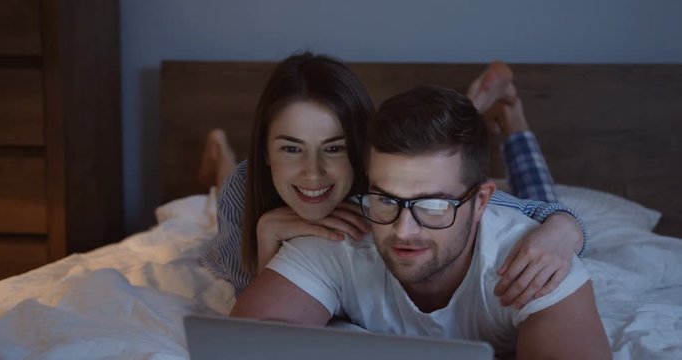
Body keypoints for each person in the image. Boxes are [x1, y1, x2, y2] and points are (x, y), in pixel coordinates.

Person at [230, 85, 611, 358]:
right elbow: (240, 344)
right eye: (385, 199)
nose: (403, 230)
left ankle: (509, 114)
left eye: (432, 205)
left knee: (546, 200)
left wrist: (565, 228)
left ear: (480, 202)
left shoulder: (534, 264)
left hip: (528, 220)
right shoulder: (337, 233)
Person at [200, 52, 587, 310]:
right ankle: (221, 151)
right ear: (265, 151)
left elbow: (546, 212)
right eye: (291, 149)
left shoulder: (388, 189)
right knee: (227, 180)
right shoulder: (243, 189)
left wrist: (562, 232)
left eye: (334, 149)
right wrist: (267, 235)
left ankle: (508, 115)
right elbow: (253, 325)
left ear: (360, 153)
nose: (313, 172)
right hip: (247, 181)